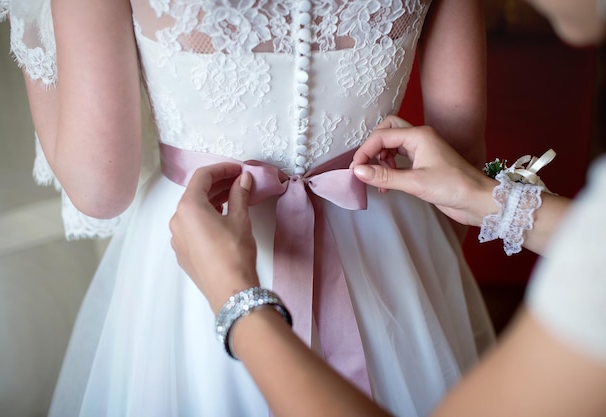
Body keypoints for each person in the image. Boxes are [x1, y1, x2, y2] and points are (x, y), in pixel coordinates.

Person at [0, 1, 494, 416]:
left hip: (198, 253)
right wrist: (424, 274)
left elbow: (101, 187)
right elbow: (460, 155)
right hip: (383, 237)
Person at [168, 0, 606, 415]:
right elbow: (465, 138)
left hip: (197, 240)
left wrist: (235, 298)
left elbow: (102, 192)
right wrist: (485, 204)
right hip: (385, 234)